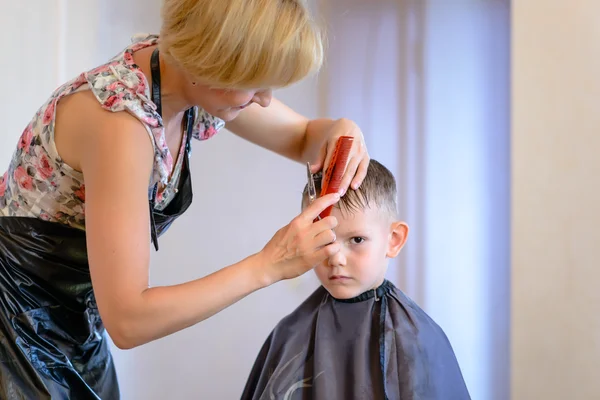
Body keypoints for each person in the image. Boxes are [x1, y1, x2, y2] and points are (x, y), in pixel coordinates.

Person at [0, 1, 370, 399]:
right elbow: (128, 320)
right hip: (14, 326)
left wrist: (341, 128)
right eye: (257, 82)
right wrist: (267, 266)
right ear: (217, 62)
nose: (264, 99)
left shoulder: (185, 81)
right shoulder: (121, 125)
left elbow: (303, 138)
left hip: (76, 323)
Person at [240, 159, 471, 400]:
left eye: (357, 240)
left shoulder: (416, 340)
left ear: (393, 240)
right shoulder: (289, 332)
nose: (335, 258)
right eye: (323, 239)